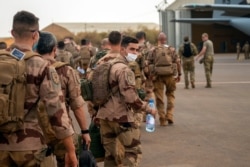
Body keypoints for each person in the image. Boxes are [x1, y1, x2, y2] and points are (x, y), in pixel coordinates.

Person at [0, 10, 77, 167]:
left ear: (13, 32)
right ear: (36, 35)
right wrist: (70, 150)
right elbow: (56, 111)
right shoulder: (42, 65)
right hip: (30, 149)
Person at [96, 35, 156, 167]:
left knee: (110, 156)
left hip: (105, 116)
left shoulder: (107, 64)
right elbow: (130, 97)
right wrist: (148, 109)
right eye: (132, 49)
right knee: (133, 152)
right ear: (123, 49)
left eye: (137, 50)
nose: (135, 53)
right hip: (121, 117)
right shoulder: (124, 69)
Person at [37, 31, 91, 167]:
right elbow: (77, 105)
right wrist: (85, 131)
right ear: (54, 50)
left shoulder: (27, 68)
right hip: (62, 129)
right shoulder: (66, 71)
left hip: (36, 132)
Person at [148, 32, 181, 126]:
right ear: (165, 39)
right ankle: (170, 115)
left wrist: (150, 75)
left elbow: (148, 63)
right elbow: (178, 62)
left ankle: (162, 119)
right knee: (170, 95)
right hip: (170, 76)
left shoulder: (153, 50)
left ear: (158, 40)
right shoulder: (171, 49)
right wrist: (179, 74)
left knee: (159, 98)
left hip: (157, 76)